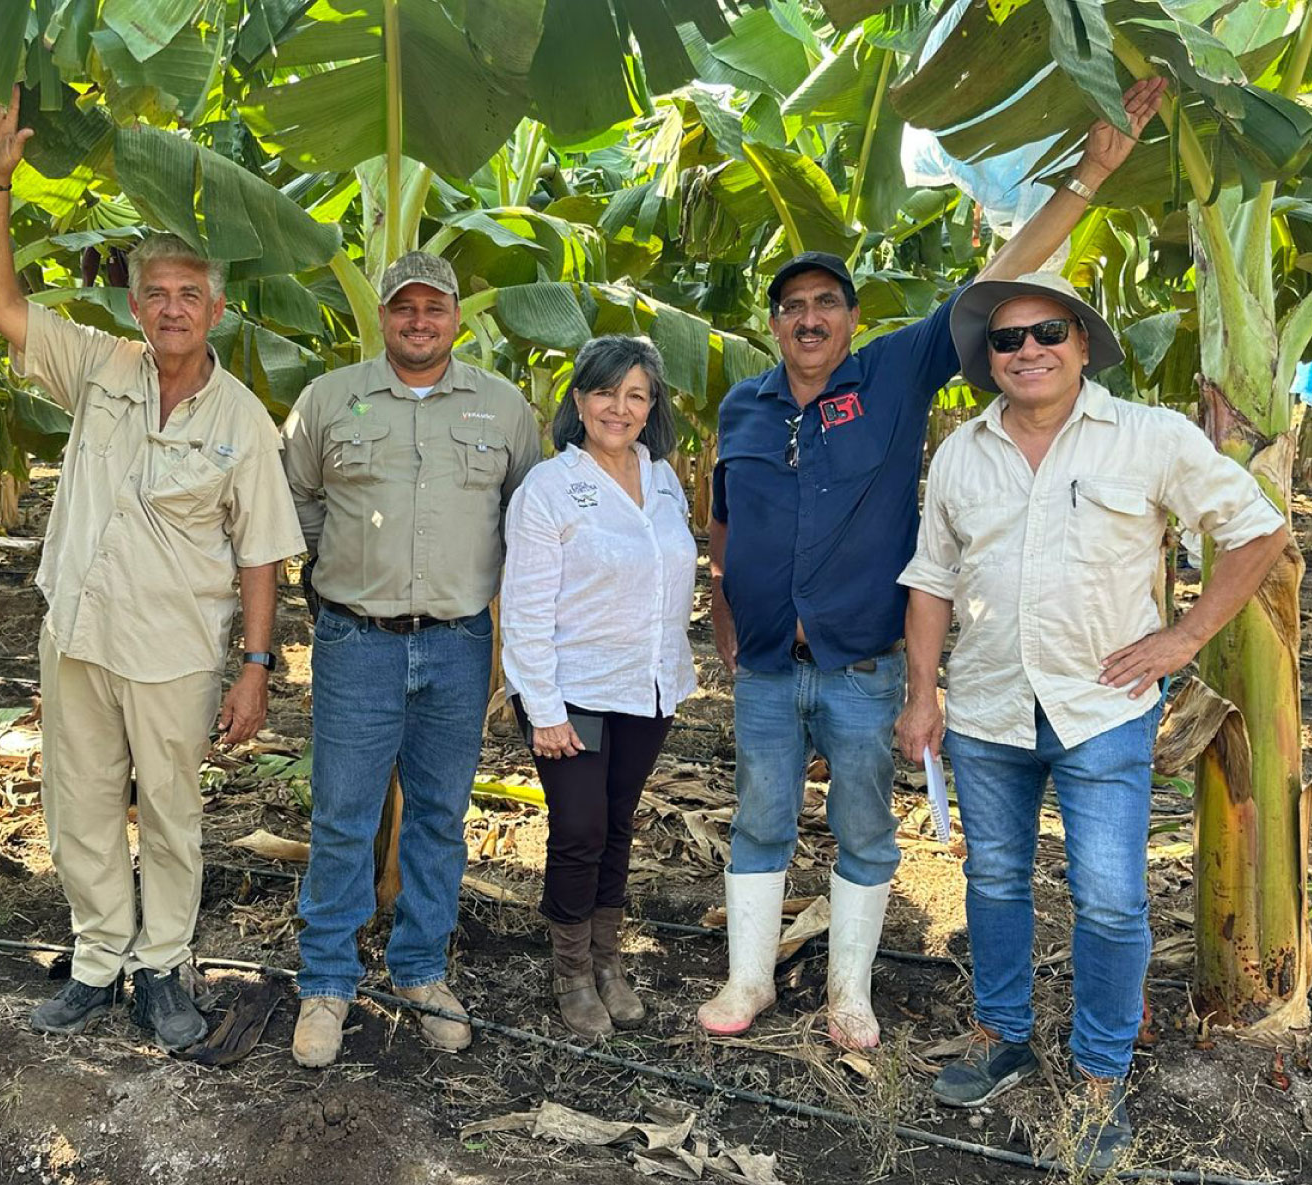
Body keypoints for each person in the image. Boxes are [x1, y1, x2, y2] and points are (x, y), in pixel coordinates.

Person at [697, 78, 1167, 1050]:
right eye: (792, 307)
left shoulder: (893, 375)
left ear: (850, 318)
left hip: (862, 664)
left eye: (826, 303)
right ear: (775, 324)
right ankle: (746, 983)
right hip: (764, 670)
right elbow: (725, 529)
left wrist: (1085, 179)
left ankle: (849, 996)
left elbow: (996, 277)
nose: (810, 319)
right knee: (758, 823)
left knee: (865, 829)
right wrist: (729, 631)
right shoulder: (743, 406)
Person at [895, 271, 1286, 1170]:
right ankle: (1003, 1035)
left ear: (1081, 342)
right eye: (1006, 339)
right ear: (988, 359)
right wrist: (924, 692)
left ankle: (1101, 1073)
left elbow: (1257, 529)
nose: (1027, 349)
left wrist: (1186, 636)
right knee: (993, 880)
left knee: (1110, 898)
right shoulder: (962, 451)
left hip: (1101, 707)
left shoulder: (1147, 436)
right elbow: (931, 577)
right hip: (989, 703)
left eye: (1047, 332)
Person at [0, 89, 305, 1049]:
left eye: (188, 295)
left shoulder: (240, 416)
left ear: (216, 308)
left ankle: (163, 966)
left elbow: (259, 553)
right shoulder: (98, 368)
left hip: (174, 650)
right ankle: (95, 958)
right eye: (156, 292)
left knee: (170, 814)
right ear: (135, 302)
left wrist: (254, 665)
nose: (170, 309)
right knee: (76, 805)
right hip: (76, 631)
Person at [280, 251, 541, 1068]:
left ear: (457, 316)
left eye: (434, 308)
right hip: (357, 639)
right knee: (343, 816)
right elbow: (298, 502)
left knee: (438, 815)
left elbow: (526, 515)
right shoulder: (329, 399)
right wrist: (343, 578)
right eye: (404, 308)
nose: (418, 321)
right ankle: (327, 978)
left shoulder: (503, 408)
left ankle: (422, 968)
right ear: (385, 317)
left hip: (461, 644)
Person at [500, 335, 696, 1039]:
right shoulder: (550, 487)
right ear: (579, 400)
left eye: (637, 394)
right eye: (606, 392)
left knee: (617, 824)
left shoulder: (664, 477)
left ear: (652, 406)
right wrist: (543, 708)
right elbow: (523, 606)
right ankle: (572, 970)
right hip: (571, 687)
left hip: (646, 685)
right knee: (579, 827)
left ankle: (610, 960)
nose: (621, 407)